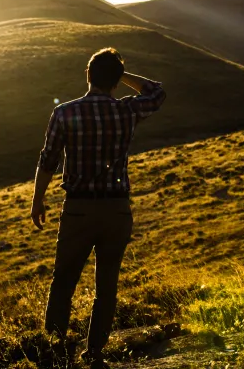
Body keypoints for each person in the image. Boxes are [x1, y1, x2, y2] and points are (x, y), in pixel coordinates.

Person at [30, 47, 166, 368]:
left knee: (63, 281)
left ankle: (55, 351)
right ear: (116, 81)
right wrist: (123, 75)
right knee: (107, 284)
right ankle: (95, 354)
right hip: (117, 210)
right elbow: (157, 92)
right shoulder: (126, 111)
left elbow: (48, 160)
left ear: (88, 76)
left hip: (78, 209)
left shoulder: (65, 112)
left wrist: (38, 200)